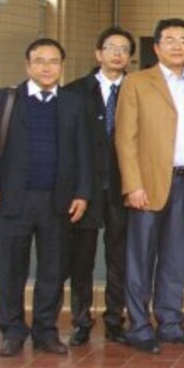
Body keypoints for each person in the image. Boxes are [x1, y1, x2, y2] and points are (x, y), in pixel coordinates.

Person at [0, 38, 91, 357]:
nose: (46, 67)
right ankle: (12, 330)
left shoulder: (72, 102)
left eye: (53, 61)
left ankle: (45, 331)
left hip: (58, 200)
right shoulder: (4, 100)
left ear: (61, 67)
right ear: (28, 66)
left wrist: (82, 193)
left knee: (52, 270)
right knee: (12, 267)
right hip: (15, 198)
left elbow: (84, 151)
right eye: (39, 61)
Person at [115, 18, 184, 354]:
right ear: (155, 47)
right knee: (141, 257)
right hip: (148, 183)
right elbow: (125, 138)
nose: (177, 46)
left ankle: (169, 322)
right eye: (170, 40)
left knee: (175, 256)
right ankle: (139, 326)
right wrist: (132, 184)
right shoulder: (137, 83)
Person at [61, 26, 135, 346]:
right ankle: (81, 320)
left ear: (130, 57)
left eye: (123, 49)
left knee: (119, 256)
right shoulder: (76, 91)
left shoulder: (137, 89)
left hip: (123, 187)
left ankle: (115, 319)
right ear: (98, 54)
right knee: (82, 258)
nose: (117, 53)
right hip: (85, 188)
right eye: (110, 47)